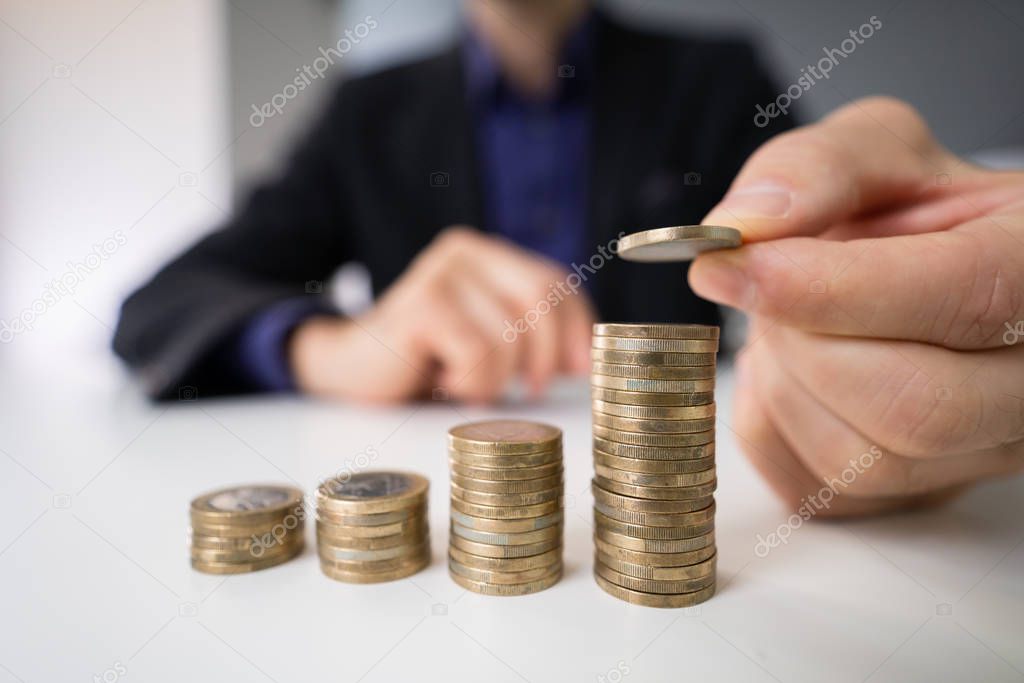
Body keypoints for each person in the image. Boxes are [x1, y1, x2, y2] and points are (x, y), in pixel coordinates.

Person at [114, 0, 1024, 514]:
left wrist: (912, 323)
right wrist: (335, 347)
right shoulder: (365, 111)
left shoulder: (715, 79)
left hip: (701, 496)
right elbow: (158, 302)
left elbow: (844, 257)